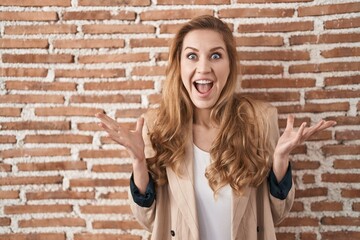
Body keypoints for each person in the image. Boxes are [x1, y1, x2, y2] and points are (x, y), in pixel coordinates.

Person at [96, 15, 336, 240]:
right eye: (192, 56)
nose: (203, 68)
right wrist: (138, 162)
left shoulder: (260, 119)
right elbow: (148, 219)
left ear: (230, 64)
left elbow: (275, 214)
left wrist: (280, 160)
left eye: (215, 55)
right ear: (178, 65)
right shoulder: (157, 125)